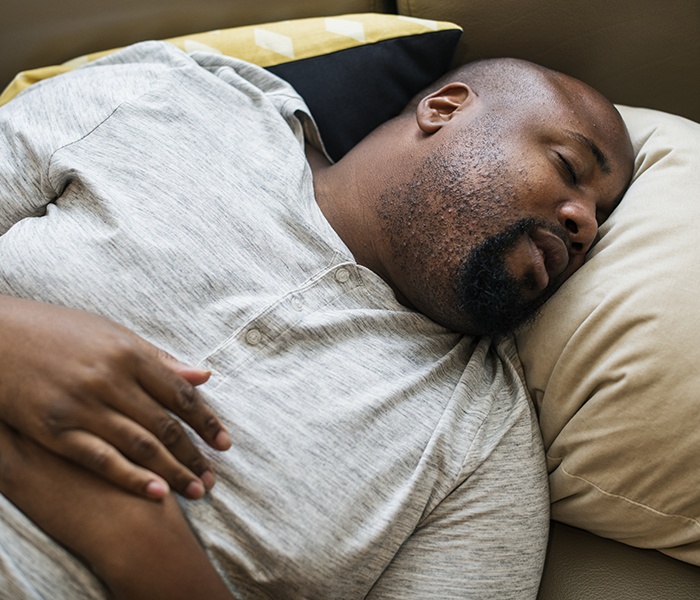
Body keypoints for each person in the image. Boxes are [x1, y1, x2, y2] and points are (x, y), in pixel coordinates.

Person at [0, 40, 633, 599]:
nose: (583, 224)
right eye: (570, 169)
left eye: (597, 222)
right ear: (446, 108)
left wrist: (132, 539)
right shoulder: (167, 101)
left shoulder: (483, 453)